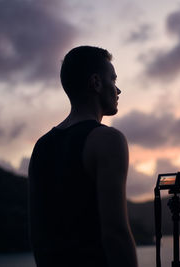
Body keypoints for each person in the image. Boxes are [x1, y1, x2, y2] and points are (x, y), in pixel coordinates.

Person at [28, 46, 138, 267]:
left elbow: (38, 234)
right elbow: (115, 232)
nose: (118, 90)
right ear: (96, 83)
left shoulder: (41, 146)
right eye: (113, 80)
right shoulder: (108, 140)